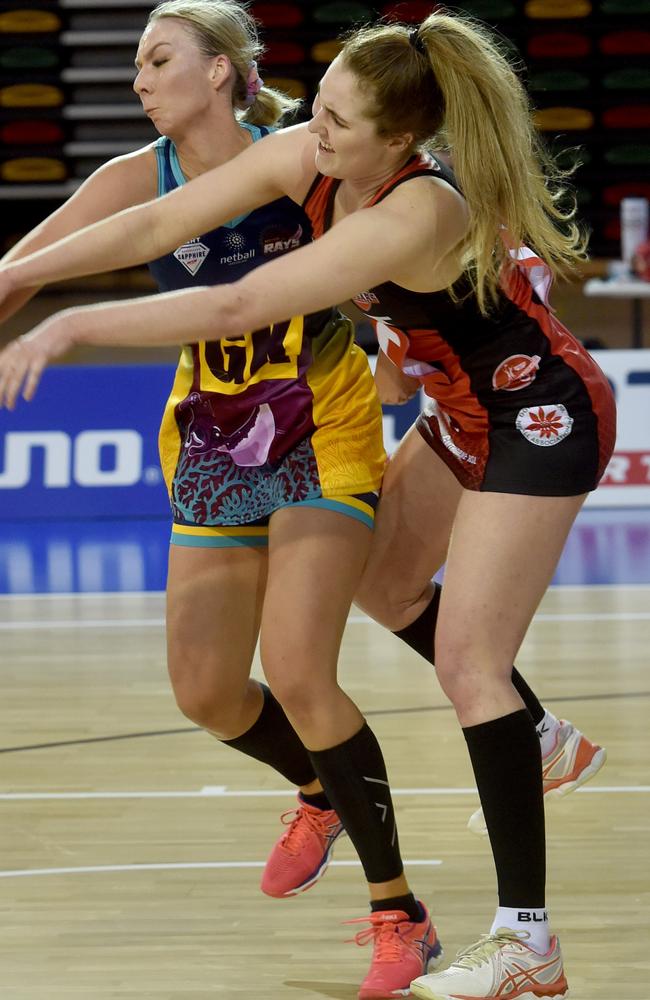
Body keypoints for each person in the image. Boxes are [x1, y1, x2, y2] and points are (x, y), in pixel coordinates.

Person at [0, 9, 616, 998]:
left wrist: (73, 328)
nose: (309, 131)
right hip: (455, 408)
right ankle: (534, 736)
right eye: (314, 108)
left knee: (469, 665)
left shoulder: (416, 210)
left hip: (533, 411)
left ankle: (523, 943)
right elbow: (163, 220)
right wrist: (23, 270)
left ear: (396, 142)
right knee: (376, 581)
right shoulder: (310, 155)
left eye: (335, 124)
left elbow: (245, 301)